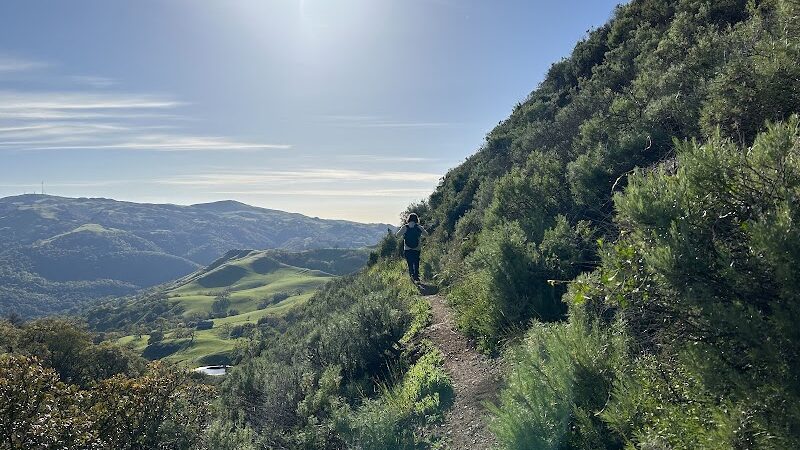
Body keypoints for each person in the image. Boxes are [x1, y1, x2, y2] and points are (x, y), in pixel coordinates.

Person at [396, 213, 428, 283]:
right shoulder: (418, 227)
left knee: (410, 263)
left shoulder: (405, 227)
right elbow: (426, 234)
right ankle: (416, 276)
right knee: (416, 262)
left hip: (407, 248)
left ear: (408, 219)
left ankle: (412, 277)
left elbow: (397, 235)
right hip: (417, 248)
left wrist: (404, 234)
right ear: (416, 219)